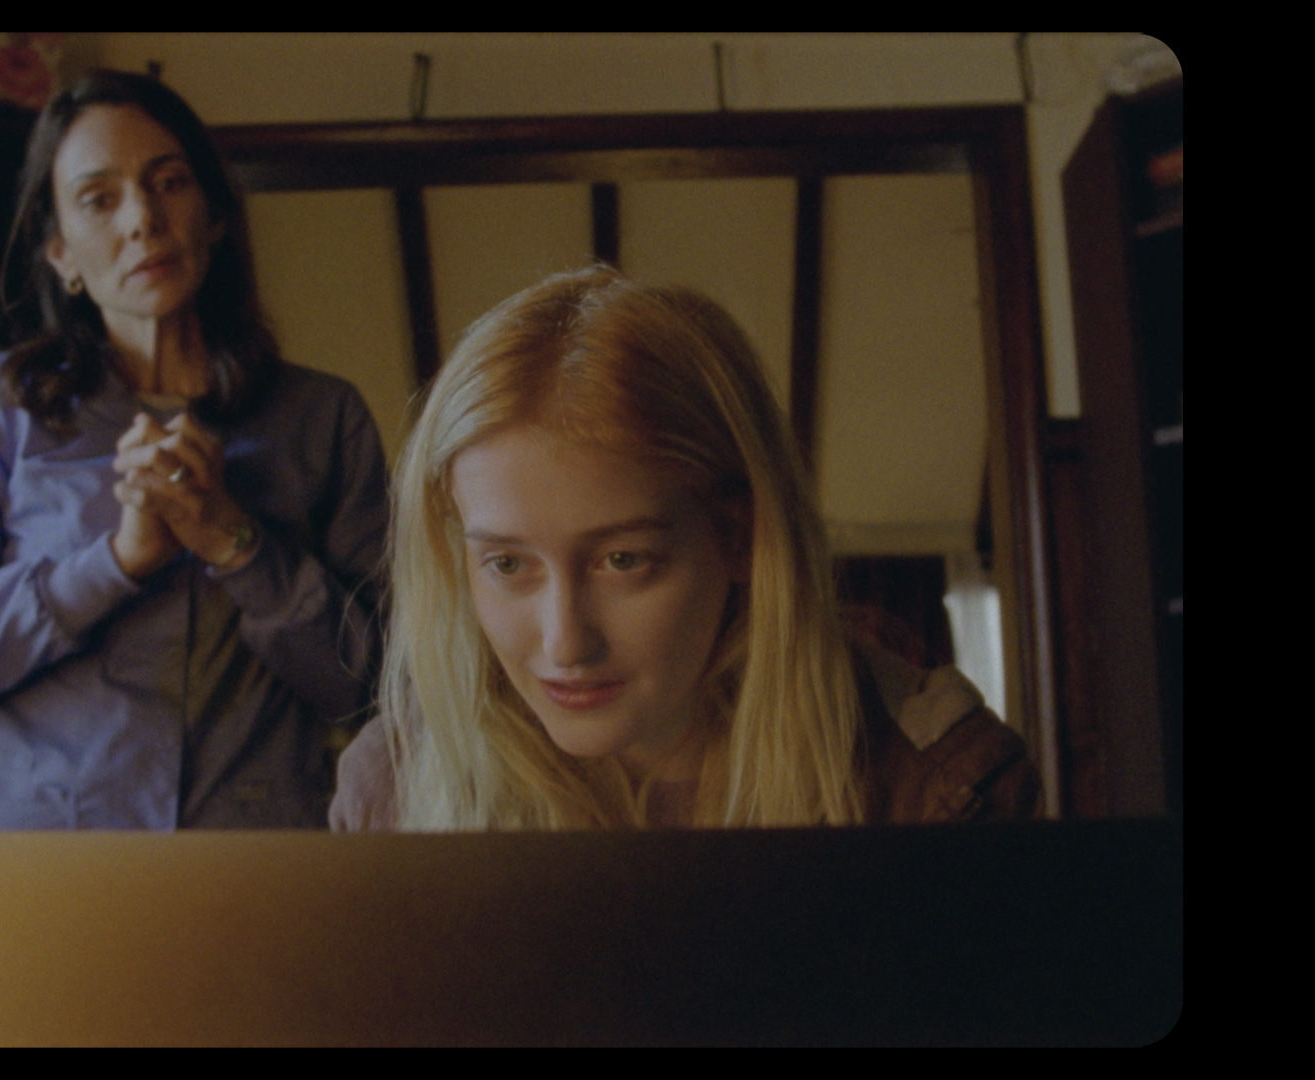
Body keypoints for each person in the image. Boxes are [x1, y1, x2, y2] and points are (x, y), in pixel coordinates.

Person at [331, 268, 1036, 831]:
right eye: (508, 565)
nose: (566, 642)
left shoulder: (935, 784)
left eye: (622, 560)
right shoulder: (396, 785)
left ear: (737, 534)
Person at [0, 71, 387, 830]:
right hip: (34, 872)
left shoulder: (323, 417)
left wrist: (237, 545)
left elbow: (374, 686)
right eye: (99, 198)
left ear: (213, 213)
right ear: (61, 253)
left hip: (247, 871)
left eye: (169, 182)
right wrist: (111, 564)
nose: (143, 218)